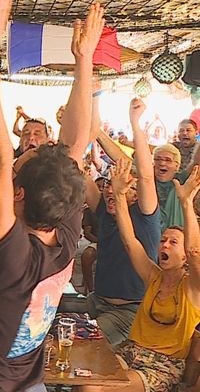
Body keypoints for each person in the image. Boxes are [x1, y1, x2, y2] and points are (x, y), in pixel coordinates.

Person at [0, 0, 102, 391]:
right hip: (29, 383)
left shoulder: (11, 255)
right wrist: (84, 59)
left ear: (17, 195)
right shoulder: (65, 238)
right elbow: (74, 146)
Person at [78, 160, 200, 392]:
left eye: (173, 242)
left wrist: (186, 202)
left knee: (92, 388)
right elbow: (129, 241)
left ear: (184, 257)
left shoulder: (193, 288)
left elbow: (195, 252)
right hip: (131, 351)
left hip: (162, 366)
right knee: (83, 381)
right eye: (163, 239)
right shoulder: (153, 275)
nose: (164, 244)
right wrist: (121, 196)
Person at [87, 98, 162, 348]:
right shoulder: (103, 210)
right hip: (96, 301)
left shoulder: (145, 214)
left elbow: (145, 174)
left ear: (136, 192)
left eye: (122, 186)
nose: (112, 190)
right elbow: (74, 168)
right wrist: (89, 129)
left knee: (85, 347)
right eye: (109, 184)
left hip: (128, 311)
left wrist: (135, 122)